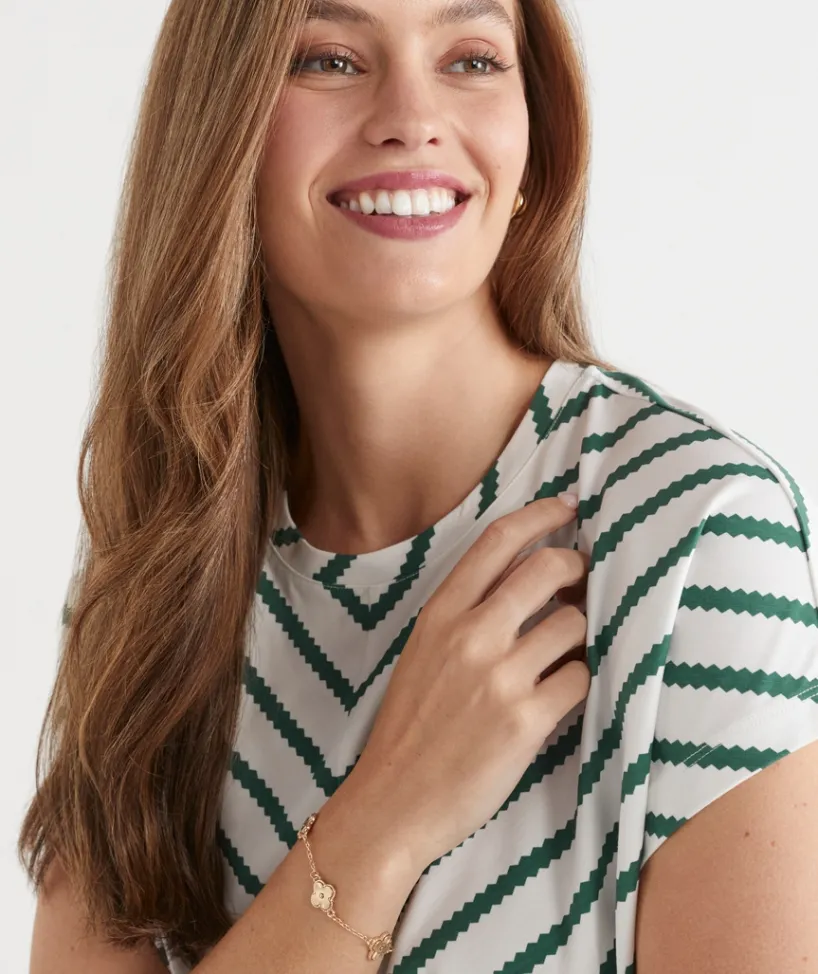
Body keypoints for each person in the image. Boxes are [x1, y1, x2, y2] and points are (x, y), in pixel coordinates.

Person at [20, 0, 818, 971]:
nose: (411, 116)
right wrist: (386, 817)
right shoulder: (159, 568)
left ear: (534, 141)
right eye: (329, 59)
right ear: (218, 128)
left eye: (471, 59)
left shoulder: (694, 534)